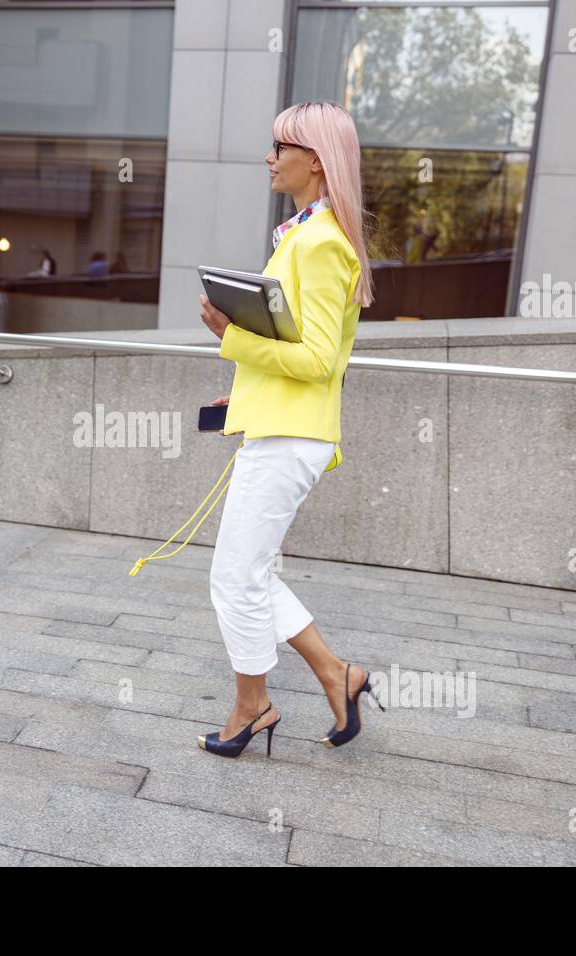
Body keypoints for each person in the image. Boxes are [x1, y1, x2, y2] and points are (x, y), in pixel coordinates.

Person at [195, 100, 380, 758]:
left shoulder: (324, 243)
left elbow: (318, 361)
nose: (270, 158)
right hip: (278, 427)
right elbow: (293, 348)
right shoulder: (303, 235)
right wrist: (243, 380)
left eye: (282, 146)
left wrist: (233, 336)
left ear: (317, 159)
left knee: (234, 576)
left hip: (294, 438)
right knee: (248, 573)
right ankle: (338, 675)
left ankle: (254, 705)